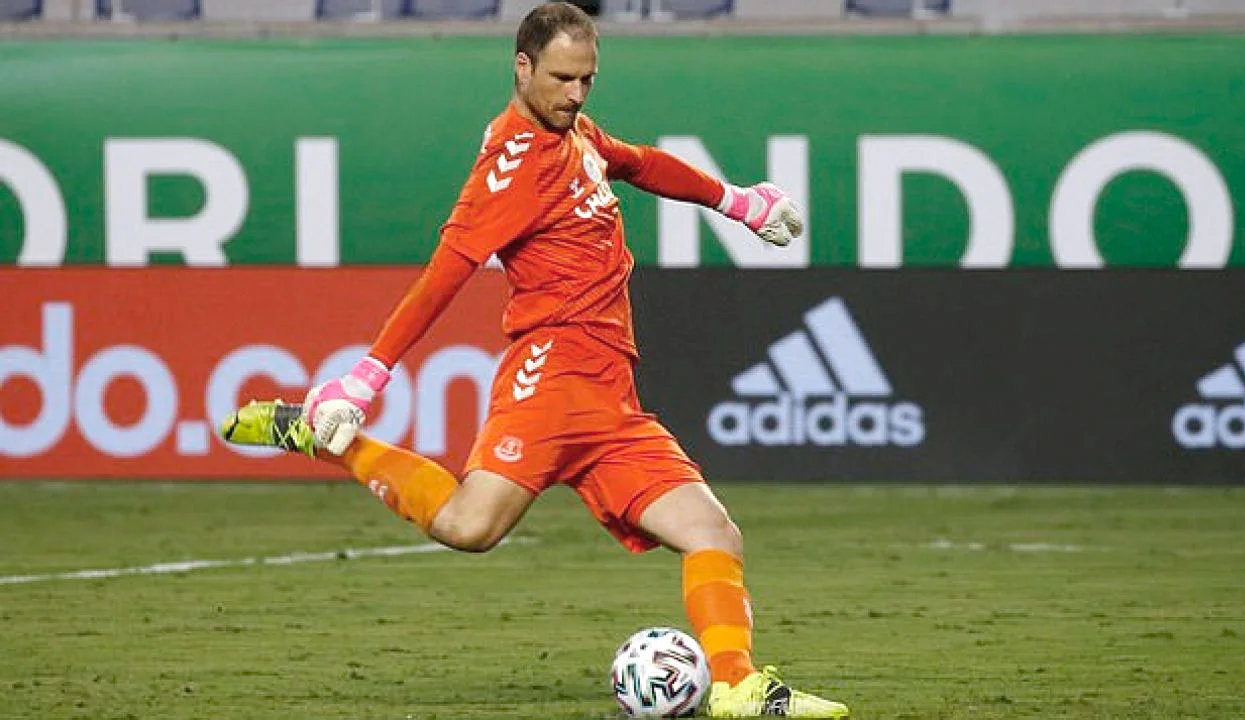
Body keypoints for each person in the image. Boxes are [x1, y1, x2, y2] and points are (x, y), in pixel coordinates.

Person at [220, 3, 847, 717]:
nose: (575, 94)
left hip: (611, 398)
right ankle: (329, 439)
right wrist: (367, 378)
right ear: (522, 67)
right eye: (561, 78)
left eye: (587, 79)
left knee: (712, 532)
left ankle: (736, 686)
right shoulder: (510, 166)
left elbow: (640, 163)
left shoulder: (576, 134)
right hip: (549, 379)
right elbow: (444, 276)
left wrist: (735, 202)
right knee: (469, 528)